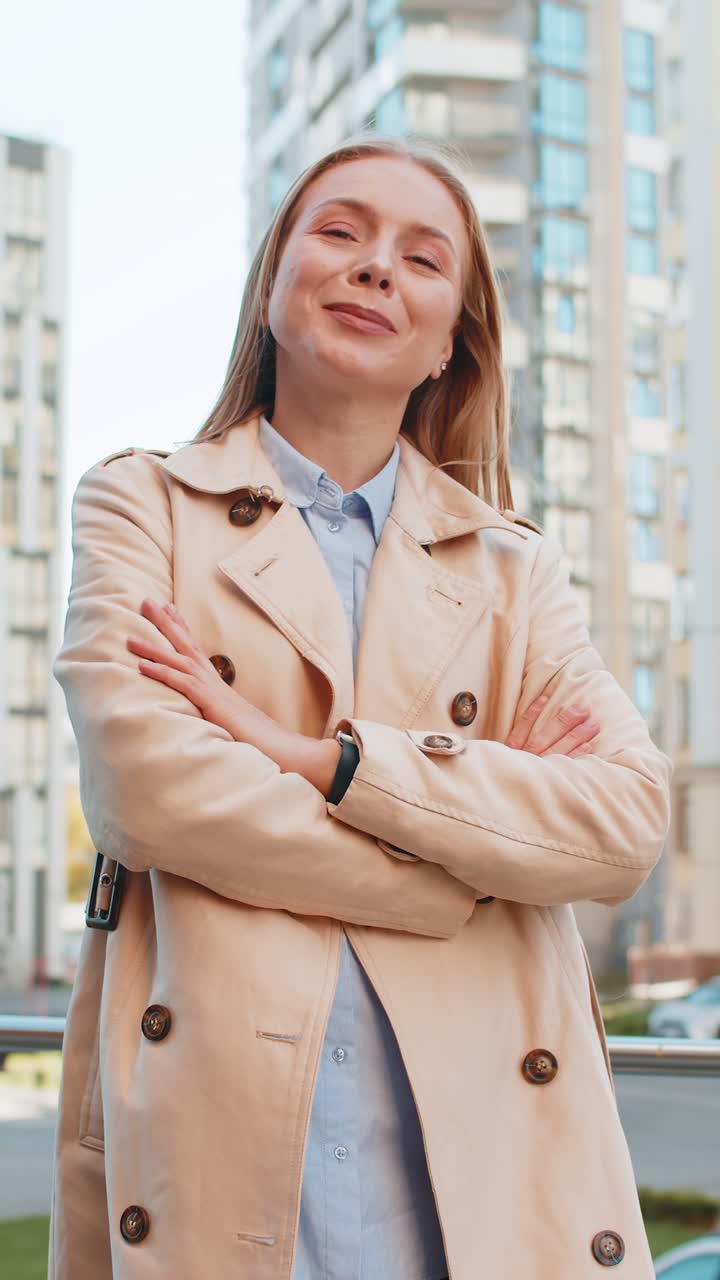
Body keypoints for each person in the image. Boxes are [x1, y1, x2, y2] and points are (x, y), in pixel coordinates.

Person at [49, 132, 671, 1280]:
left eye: (422, 257)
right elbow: (146, 787)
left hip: (492, 1180)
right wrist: (464, 863)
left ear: (449, 344)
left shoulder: (512, 567)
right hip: (227, 1162)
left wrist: (314, 759)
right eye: (339, 232)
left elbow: (626, 816)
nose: (377, 265)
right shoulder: (142, 500)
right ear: (274, 282)